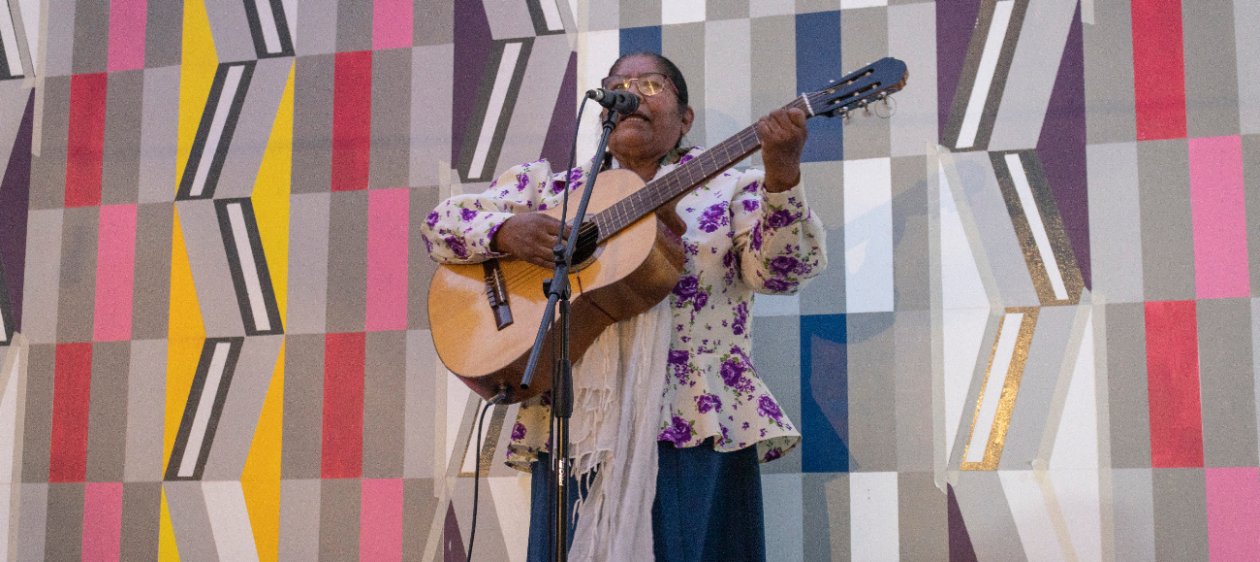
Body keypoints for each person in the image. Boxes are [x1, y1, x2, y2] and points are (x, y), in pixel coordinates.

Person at [421, 52, 827, 562]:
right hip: (578, 428)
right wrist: (506, 230)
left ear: (685, 119)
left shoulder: (733, 190)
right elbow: (441, 225)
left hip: (693, 426)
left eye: (652, 84)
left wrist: (782, 176)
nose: (633, 92)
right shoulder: (551, 189)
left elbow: (784, 273)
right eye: (620, 84)